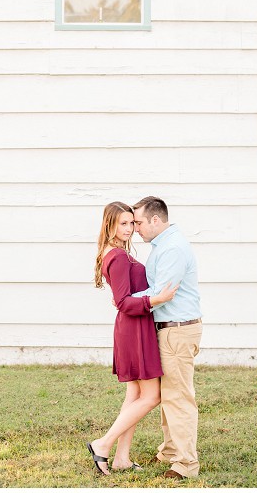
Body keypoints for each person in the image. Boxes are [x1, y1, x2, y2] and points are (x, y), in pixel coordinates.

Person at [86, 202, 178, 476]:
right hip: (134, 328)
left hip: (134, 328)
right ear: (109, 225)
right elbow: (124, 302)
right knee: (152, 396)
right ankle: (102, 444)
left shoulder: (115, 253)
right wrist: (156, 299)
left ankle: (122, 458)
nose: (130, 229)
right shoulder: (118, 256)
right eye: (123, 224)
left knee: (135, 394)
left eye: (132, 223)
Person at [128, 196, 203, 481]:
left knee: (178, 398)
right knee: (168, 395)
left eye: (139, 222)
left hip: (177, 329)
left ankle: (185, 464)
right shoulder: (165, 245)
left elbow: (161, 294)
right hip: (170, 329)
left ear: (155, 220)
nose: (136, 228)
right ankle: (171, 451)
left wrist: (126, 301)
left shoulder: (172, 248)